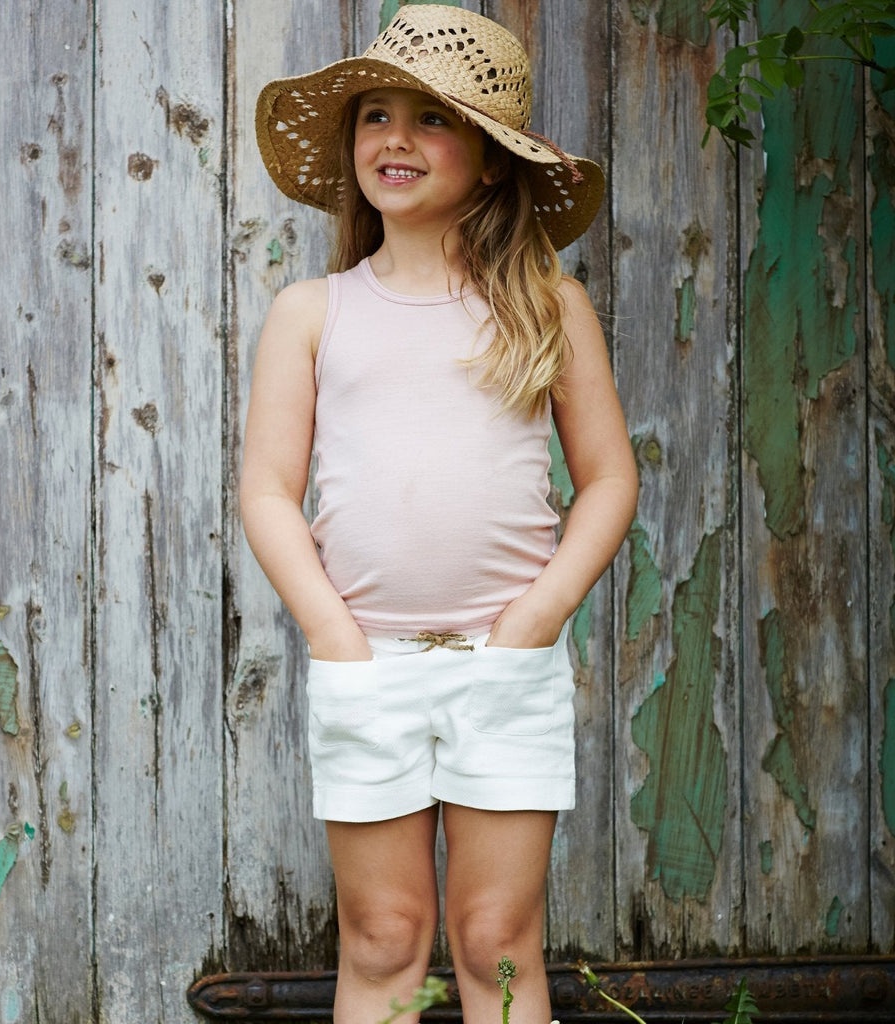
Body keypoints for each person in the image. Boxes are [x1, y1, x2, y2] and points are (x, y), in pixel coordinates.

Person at [241, 6, 638, 1023]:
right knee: (382, 940)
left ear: (494, 161)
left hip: (503, 666)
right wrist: (333, 634)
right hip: (365, 660)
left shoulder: (547, 305)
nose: (396, 139)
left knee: (494, 942)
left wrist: (532, 621)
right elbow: (268, 492)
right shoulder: (313, 312)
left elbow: (606, 480)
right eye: (376, 115)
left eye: (432, 119)